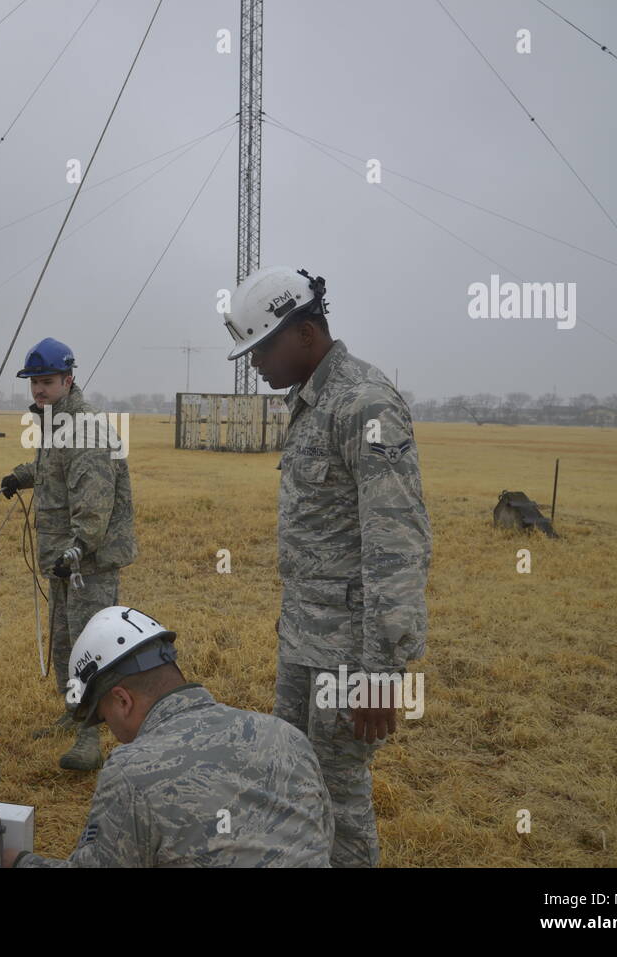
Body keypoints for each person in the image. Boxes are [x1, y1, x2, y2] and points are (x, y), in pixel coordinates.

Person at [224, 265, 432, 867]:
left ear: (306, 333)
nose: (254, 362)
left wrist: (381, 673)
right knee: (292, 784)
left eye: (261, 347)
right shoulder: (312, 403)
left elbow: (396, 544)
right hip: (304, 644)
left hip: (349, 657)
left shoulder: (363, 402)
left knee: (340, 804)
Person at [6, 607, 334, 867]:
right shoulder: (286, 736)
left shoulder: (133, 771)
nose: (115, 736)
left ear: (122, 700)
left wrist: (16, 862)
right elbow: (321, 840)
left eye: (105, 719)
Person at [0, 338, 136, 771]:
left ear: (68, 379)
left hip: (87, 562)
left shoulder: (86, 429)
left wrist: (77, 548)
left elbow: (95, 502)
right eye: (34, 382)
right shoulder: (56, 423)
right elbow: (52, 470)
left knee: (89, 645)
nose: (38, 390)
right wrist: (19, 477)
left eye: (46, 381)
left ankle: (90, 736)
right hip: (64, 560)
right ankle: (73, 711)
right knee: (63, 644)